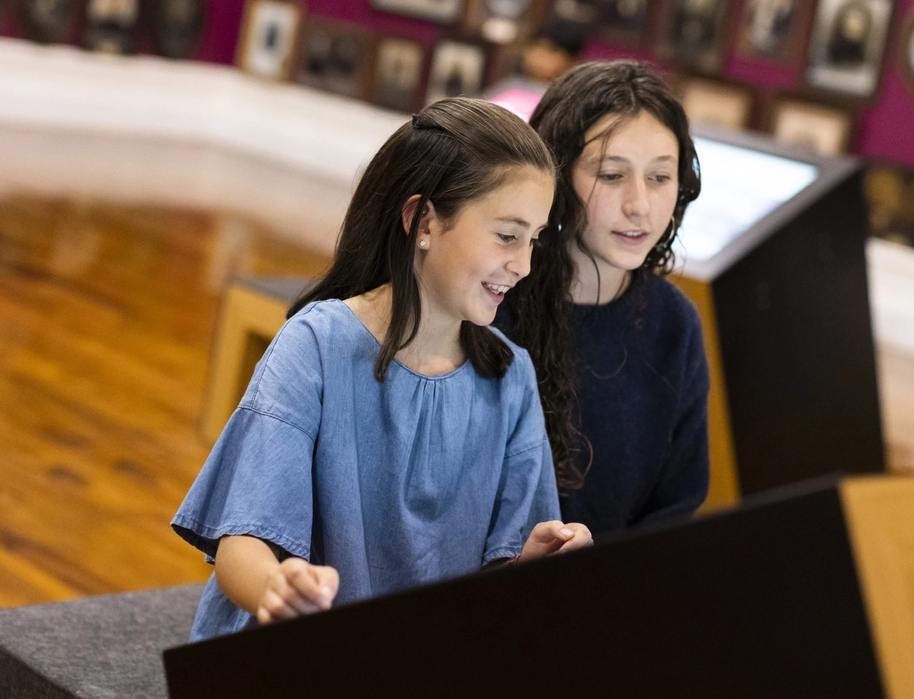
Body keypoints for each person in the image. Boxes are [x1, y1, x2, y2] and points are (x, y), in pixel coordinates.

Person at [172, 98, 592, 640]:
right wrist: (277, 589)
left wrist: (528, 569)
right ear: (421, 220)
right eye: (507, 235)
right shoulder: (315, 346)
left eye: (533, 240)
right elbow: (241, 547)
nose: (525, 264)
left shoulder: (512, 378)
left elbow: (490, 595)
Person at [497, 61, 710, 536]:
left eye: (660, 177)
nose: (640, 205)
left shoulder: (675, 324)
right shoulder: (492, 302)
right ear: (554, 175)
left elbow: (676, 507)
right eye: (612, 175)